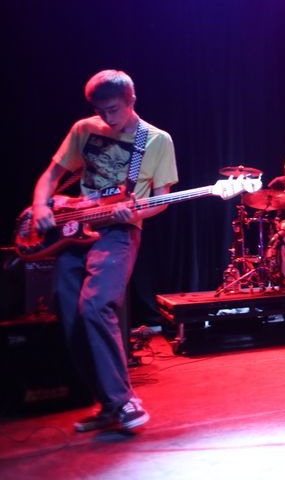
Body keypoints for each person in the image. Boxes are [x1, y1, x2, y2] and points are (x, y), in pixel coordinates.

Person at [31, 69, 178, 431]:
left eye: (113, 109)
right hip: (77, 229)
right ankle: (109, 405)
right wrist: (40, 206)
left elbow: (162, 200)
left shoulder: (156, 140)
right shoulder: (84, 129)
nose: (107, 118)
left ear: (131, 100)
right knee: (70, 315)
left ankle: (125, 401)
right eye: (100, 110)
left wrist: (136, 211)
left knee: (96, 304)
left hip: (120, 231)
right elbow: (51, 175)